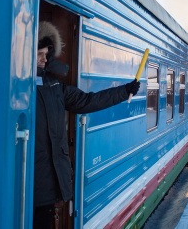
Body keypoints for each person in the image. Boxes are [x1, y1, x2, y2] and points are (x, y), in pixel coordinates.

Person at [33, 22, 140, 229]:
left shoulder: (54, 85)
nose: (44, 59)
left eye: (46, 54)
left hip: (48, 180)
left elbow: (87, 101)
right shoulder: (18, 85)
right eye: (39, 54)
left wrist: (124, 91)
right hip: (28, 177)